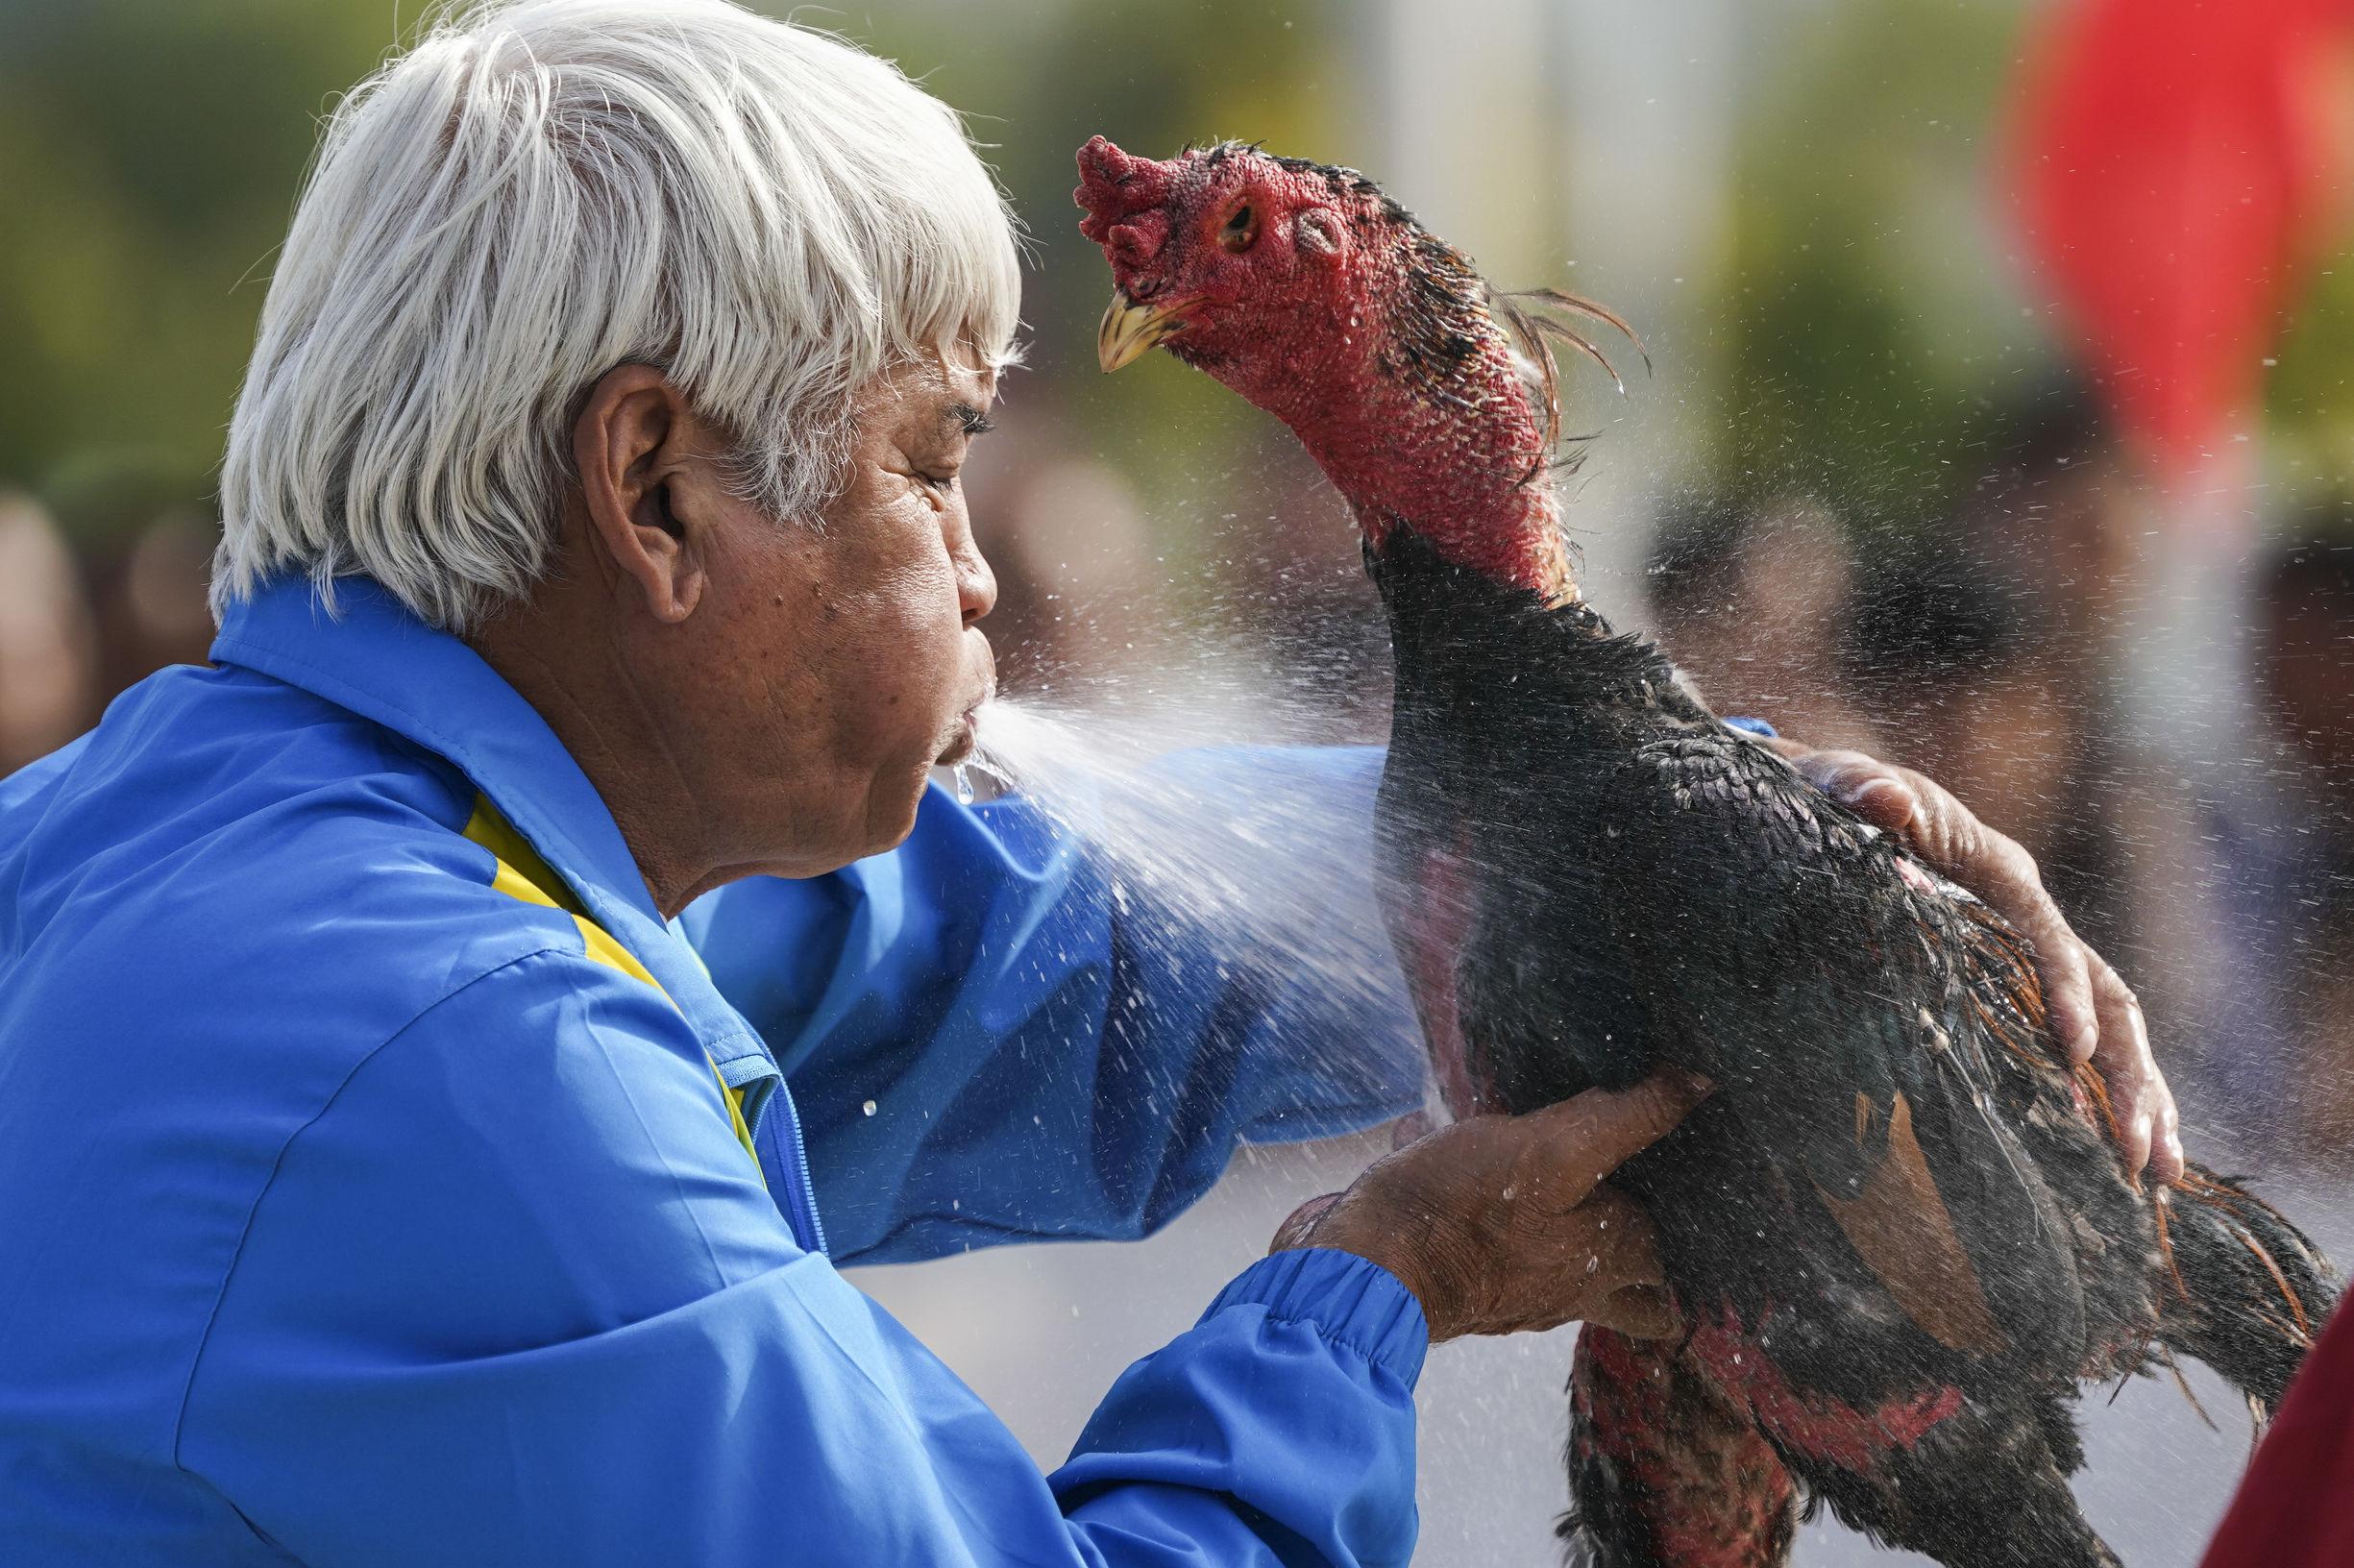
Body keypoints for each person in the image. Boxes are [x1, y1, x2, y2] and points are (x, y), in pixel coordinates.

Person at [0, 3, 2175, 1563]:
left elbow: (1047, 951)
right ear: (653, 490)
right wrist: (1368, 1292)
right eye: (926, 461)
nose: (973, 566)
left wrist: (1725, 839)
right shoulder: (450, 1047)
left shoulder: (241, 835)